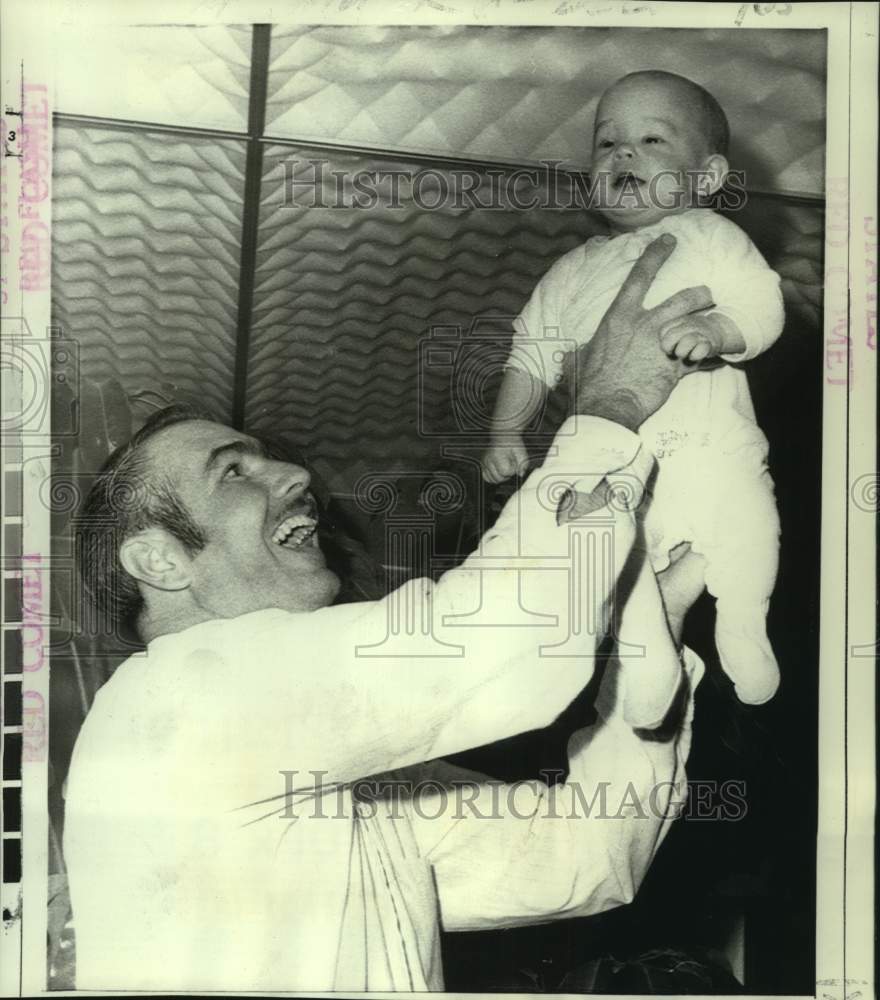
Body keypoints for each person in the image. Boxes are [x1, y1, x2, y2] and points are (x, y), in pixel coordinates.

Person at [65, 236, 710, 992]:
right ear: (159, 561)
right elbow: (497, 642)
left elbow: (583, 857)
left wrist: (644, 661)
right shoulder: (171, 702)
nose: (297, 474)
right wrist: (609, 408)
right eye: (233, 472)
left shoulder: (326, 773)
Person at [482, 70, 785, 707]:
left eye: (652, 140)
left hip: (714, 446)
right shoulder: (573, 269)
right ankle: (645, 671)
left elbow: (764, 304)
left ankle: (743, 624)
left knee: (749, 529)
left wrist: (720, 328)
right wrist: (505, 430)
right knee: (617, 576)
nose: (624, 154)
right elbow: (530, 354)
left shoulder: (712, 235)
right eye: (606, 143)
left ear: (706, 178)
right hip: (619, 467)